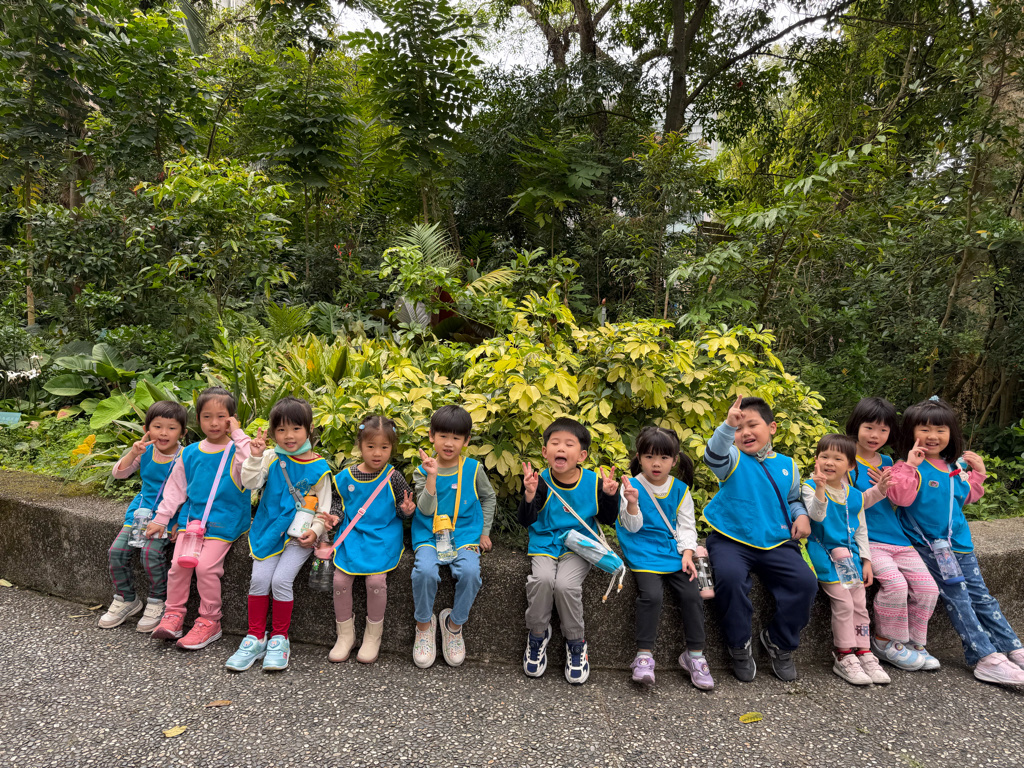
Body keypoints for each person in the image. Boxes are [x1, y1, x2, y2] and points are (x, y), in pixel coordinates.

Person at [888, 397, 1024, 687]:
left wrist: (979, 473)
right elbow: (900, 497)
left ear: (951, 433)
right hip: (929, 546)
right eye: (924, 429)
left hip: (960, 544)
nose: (933, 436)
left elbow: (966, 496)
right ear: (911, 432)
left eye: (941, 429)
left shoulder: (954, 466)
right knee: (959, 598)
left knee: (982, 597)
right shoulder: (908, 466)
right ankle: (984, 657)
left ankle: (1012, 646)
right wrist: (910, 466)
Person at [702, 395, 818, 682]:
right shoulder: (732, 458)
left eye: (752, 425)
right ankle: (739, 644)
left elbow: (792, 500)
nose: (745, 433)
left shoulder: (788, 466)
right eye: (739, 428)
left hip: (776, 540)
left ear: (772, 427)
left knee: (805, 582)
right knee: (729, 578)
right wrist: (727, 427)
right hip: (730, 538)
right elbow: (713, 456)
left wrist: (801, 515)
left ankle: (779, 641)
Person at [226, 397, 334, 672]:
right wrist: (255, 457)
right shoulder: (271, 457)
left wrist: (316, 531)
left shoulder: (320, 467)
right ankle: (255, 637)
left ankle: (279, 638)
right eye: (282, 430)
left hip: (299, 536)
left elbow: (324, 508)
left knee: (281, 581)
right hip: (268, 529)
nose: (289, 436)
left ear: (309, 429)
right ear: (273, 432)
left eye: (296, 428)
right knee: (259, 580)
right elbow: (250, 482)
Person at [148, 387, 253, 650]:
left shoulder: (238, 450)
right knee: (178, 566)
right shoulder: (190, 452)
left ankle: (210, 620)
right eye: (207, 416)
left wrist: (239, 434)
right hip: (193, 521)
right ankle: (173, 615)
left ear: (232, 419)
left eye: (221, 417)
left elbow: (252, 470)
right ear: (198, 419)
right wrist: (161, 518)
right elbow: (176, 489)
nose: (214, 423)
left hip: (225, 522)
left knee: (206, 568)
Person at [519, 417, 620, 684]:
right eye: (555, 443)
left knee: (565, 585)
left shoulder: (593, 482)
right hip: (544, 543)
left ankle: (576, 643)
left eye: (569, 444)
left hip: (578, 546)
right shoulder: (538, 481)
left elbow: (608, 519)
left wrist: (610, 496)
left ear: (582, 455)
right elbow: (526, 520)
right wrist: (529, 494)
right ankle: (537, 635)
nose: (561, 448)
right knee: (542, 580)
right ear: (545, 452)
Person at [845, 397, 938, 671]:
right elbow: (843, 504)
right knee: (895, 586)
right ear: (856, 426)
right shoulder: (846, 461)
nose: (875, 435)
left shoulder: (888, 462)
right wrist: (877, 491)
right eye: (869, 427)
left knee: (928, 589)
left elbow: (903, 499)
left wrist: (908, 468)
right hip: (869, 541)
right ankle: (885, 641)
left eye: (883, 430)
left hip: (898, 540)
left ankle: (914, 642)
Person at [616, 426, 712, 689]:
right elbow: (631, 527)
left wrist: (688, 553)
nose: (656, 463)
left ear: (674, 460)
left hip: (673, 550)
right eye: (649, 457)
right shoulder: (631, 486)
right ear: (639, 457)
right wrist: (632, 502)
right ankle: (643, 656)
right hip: (642, 549)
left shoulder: (680, 490)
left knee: (692, 594)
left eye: (663, 457)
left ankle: (695, 655)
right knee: (651, 595)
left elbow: (687, 526)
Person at [803, 433, 892, 685]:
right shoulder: (809, 487)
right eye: (824, 456)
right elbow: (816, 516)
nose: (829, 462)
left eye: (837, 458)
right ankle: (843, 654)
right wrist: (821, 488)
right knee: (843, 604)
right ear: (816, 460)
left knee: (860, 604)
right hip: (824, 556)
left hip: (850, 561)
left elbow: (861, 524)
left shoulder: (852, 494)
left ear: (850, 465)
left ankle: (864, 651)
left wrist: (867, 560)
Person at [410, 405, 495, 669]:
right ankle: (423, 625)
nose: (449, 443)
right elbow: (425, 509)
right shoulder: (422, 470)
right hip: (429, 534)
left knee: (470, 573)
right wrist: (431, 476)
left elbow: (488, 497)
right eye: (443, 436)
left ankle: (454, 625)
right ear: (431, 436)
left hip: (465, 534)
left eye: (457, 437)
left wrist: (484, 531)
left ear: (466, 441)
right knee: (424, 572)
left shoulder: (473, 469)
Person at [329, 414, 416, 665]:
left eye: (384, 447)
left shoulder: (394, 477)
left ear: (392, 448)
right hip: (353, 535)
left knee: (376, 581)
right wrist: (334, 517)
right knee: (340, 580)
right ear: (360, 445)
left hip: (383, 535)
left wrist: (406, 510)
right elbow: (338, 504)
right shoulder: (346, 477)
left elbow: (403, 507)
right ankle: (345, 635)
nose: (377, 453)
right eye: (370, 446)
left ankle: (372, 635)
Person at [98, 401, 188, 633]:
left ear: (183, 432)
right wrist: (132, 453)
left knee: (150, 554)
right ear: (147, 429)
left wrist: (182, 523)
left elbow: (192, 493)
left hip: (169, 517)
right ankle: (126, 598)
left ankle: (158, 601)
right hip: (140, 513)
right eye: (157, 427)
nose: (164, 433)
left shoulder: (186, 457)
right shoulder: (145, 451)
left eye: (171, 428)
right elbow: (119, 474)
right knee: (116, 552)